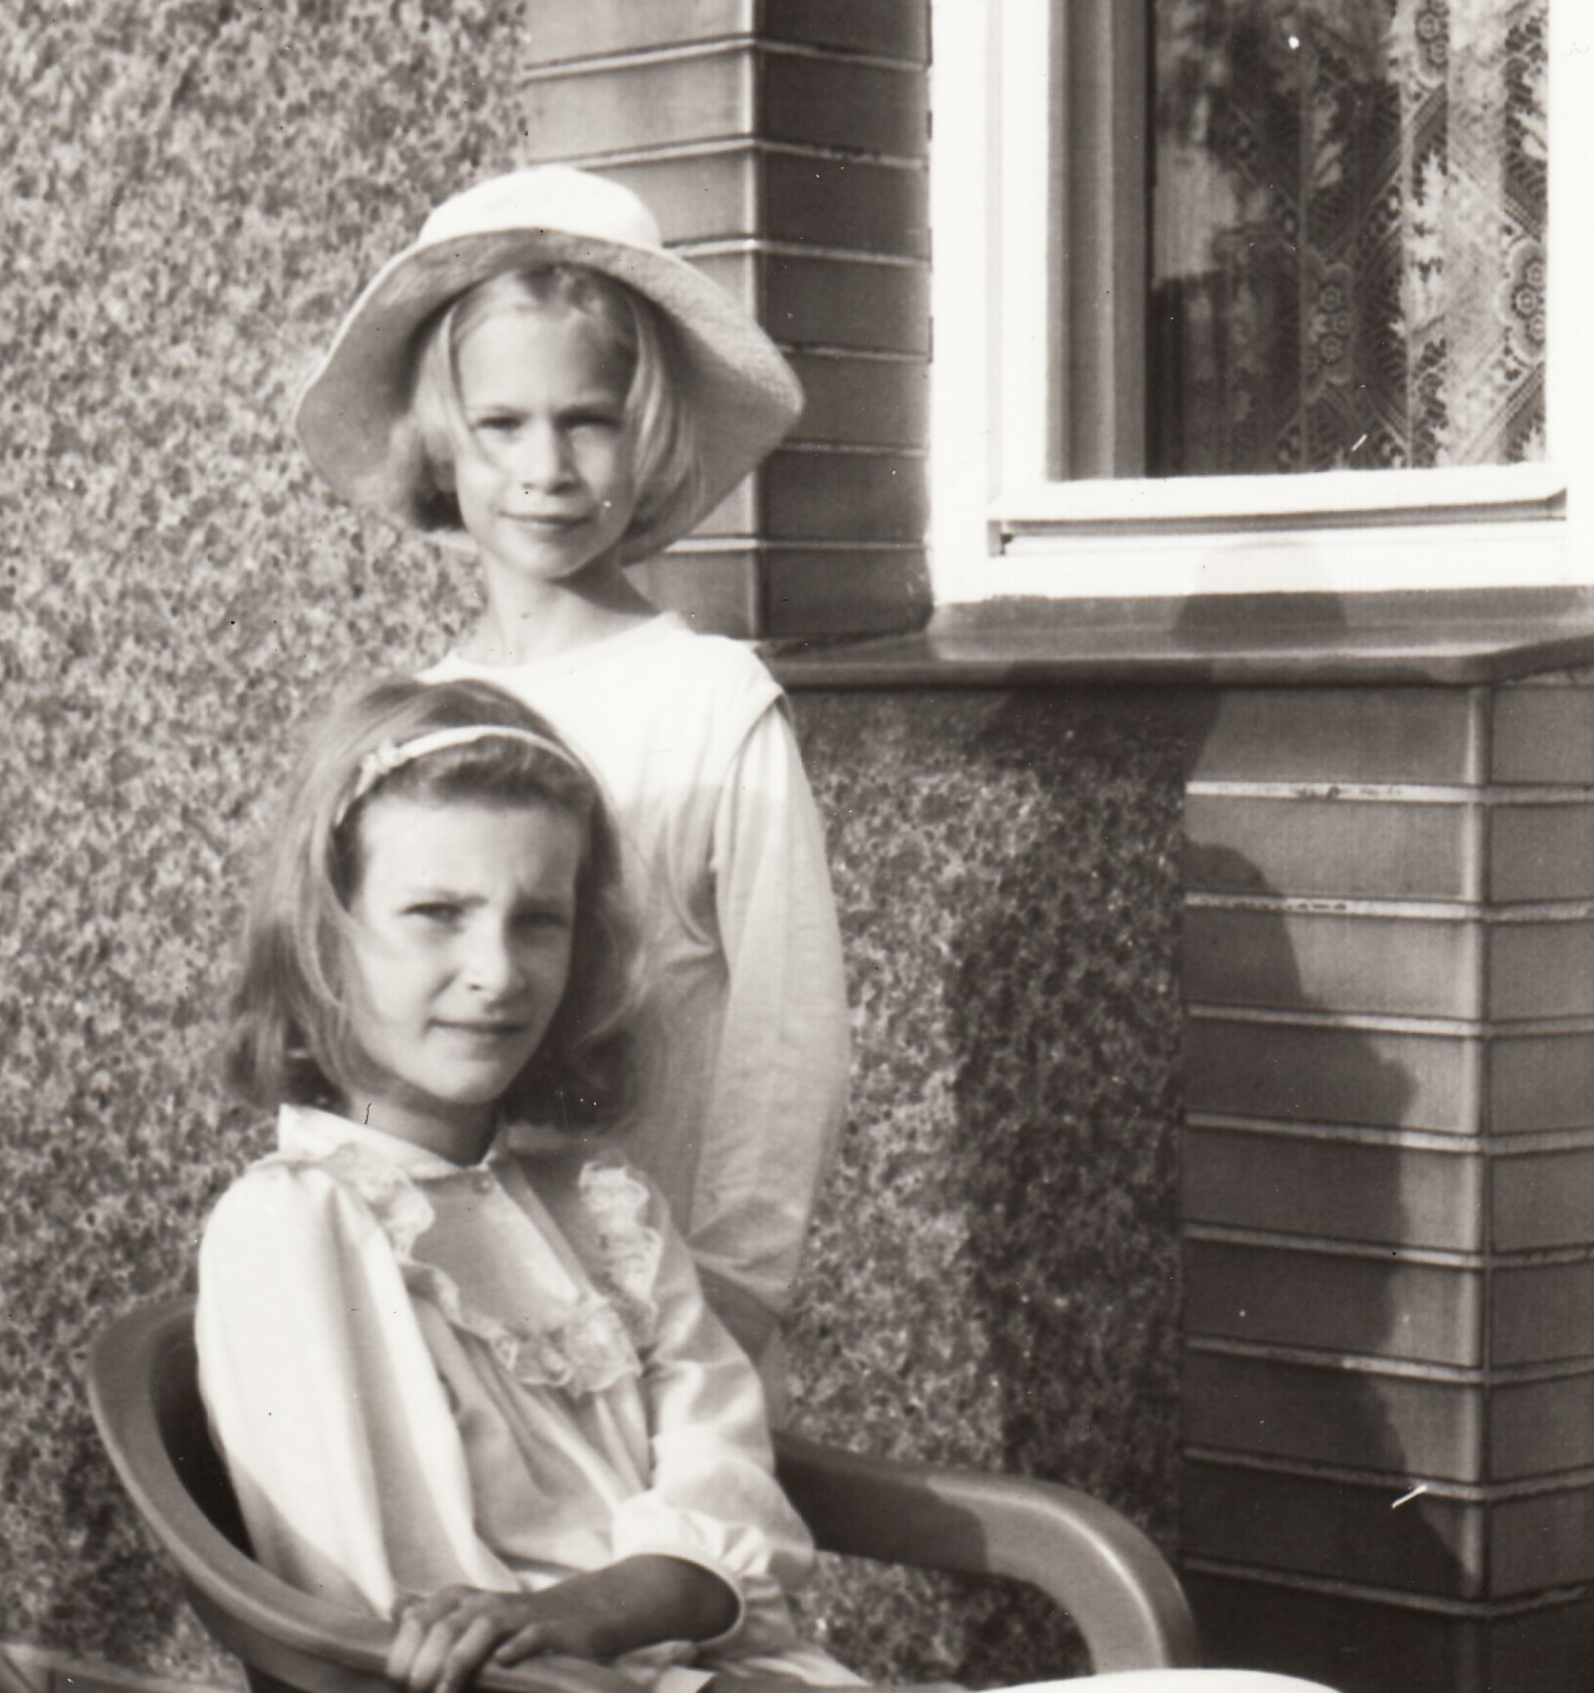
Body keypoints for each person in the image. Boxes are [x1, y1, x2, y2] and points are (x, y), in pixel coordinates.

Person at [196, 676, 1339, 1693]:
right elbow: (396, 1629)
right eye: (436, 914)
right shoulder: (298, 1227)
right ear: (326, 936)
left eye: (538, 920)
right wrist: (594, 1628)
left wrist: (614, 1601)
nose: (496, 972)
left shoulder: (599, 1206)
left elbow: (725, 1479)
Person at [292, 165, 847, 1387]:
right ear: (443, 440)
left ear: (646, 438)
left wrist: (736, 1299)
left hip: (662, 1323)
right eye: (502, 424)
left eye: (587, 419)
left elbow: (789, 1036)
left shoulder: (706, 702)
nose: (545, 465)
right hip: (453, 1306)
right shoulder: (418, 722)